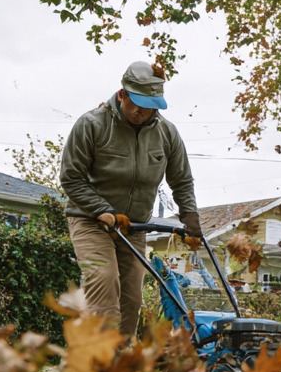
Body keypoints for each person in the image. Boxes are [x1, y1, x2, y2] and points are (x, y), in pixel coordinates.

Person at [59, 61, 201, 335]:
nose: (140, 111)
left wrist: (190, 215)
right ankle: (100, 362)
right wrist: (100, 209)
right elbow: (71, 178)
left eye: (149, 106)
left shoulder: (167, 133)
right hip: (89, 221)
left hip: (134, 226)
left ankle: (121, 366)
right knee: (103, 282)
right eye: (135, 102)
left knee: (132, 299)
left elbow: (181, 179)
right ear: (122, 95)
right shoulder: (91, 125)